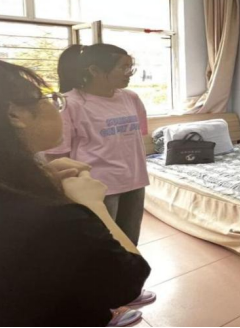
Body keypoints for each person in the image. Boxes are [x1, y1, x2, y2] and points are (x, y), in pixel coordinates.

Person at [0, 60, 151, 327]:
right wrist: (92, 207)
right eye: (49, 99)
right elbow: (129, 281)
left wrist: (41, 180)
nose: (56, 105)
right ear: (15, 115)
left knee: (123, 238)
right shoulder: (57, 216)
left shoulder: (130, 98)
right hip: (93, 185)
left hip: (128, 177)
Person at [45, 44, 156, 307]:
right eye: (123, 67)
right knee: (101, 247)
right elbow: (56, 155)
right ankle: (104, 302)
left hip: (134, 180)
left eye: (131, 67)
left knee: (128, 241)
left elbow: (137, 135)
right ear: (95, 70)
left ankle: (127, 290)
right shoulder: (70, 103)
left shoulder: (130, 98)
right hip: (96, 188)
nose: (129, 73)